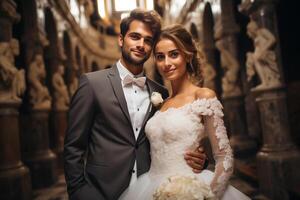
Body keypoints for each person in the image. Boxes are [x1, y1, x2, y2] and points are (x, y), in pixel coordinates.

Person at [64, 9, 207, 200]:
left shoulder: (161, 93)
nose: (141, 45)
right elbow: (73, 147)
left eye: (148, 40)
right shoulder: (92, 84)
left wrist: (200, 161)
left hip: (152, 191)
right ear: (121, 40)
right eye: (135, 37)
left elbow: (168, 140)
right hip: (102, 192)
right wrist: (79, 193)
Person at [119, 24, 250, 200]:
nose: (166, 63)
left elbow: (223, 157)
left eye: (174, 54)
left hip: (190, 188)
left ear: (187, 56)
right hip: (150, 187)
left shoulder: (203, 96)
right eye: (160, 57)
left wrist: (208, 195)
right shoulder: (161, 102)